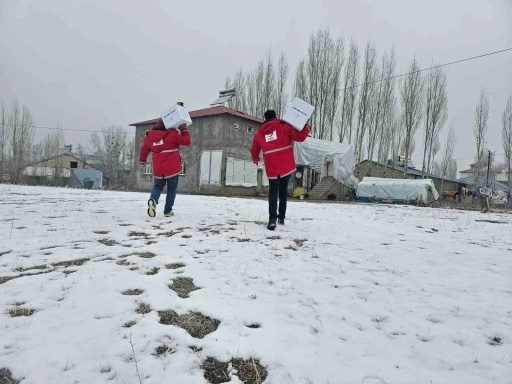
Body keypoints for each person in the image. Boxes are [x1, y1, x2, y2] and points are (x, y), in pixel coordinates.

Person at [250, 109, 311, 230]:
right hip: (286, 165)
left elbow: (254, 149)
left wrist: (256, 159)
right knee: (283, 192)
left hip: (272, 166)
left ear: (265, 119)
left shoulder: (259, 134)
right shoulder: (284, 126)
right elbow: (299, 137)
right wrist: (307, 127)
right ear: (275, 117)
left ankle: (272, 220)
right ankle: (281, 218)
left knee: (273, 192)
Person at [139, 119, 191, 217]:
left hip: (158, 168)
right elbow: (186, 141)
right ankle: (167, 211)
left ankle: (153, 201)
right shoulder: (172, 133)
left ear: (157, 125)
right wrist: (184, 130)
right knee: (171, 189)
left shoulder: (149, 136)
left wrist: (142, 160)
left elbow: (144, 149)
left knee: (157, 186)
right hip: (172, 168)